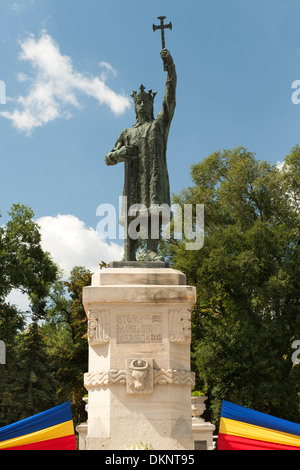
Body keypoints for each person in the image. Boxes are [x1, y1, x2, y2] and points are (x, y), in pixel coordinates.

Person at [105, 49, 177, 261]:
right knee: (131, 213)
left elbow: (170, 99)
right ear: (135, 107)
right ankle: (129, 254)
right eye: (139, 103)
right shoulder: (127, 133)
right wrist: (119, 153)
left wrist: (170, 68)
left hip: (153, 180)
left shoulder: (158, 126)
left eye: (146, 102)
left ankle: (152, 250)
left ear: (151, 105)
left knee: (152, 210)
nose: (143, 105)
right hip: (134, 181)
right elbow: (107, 157)